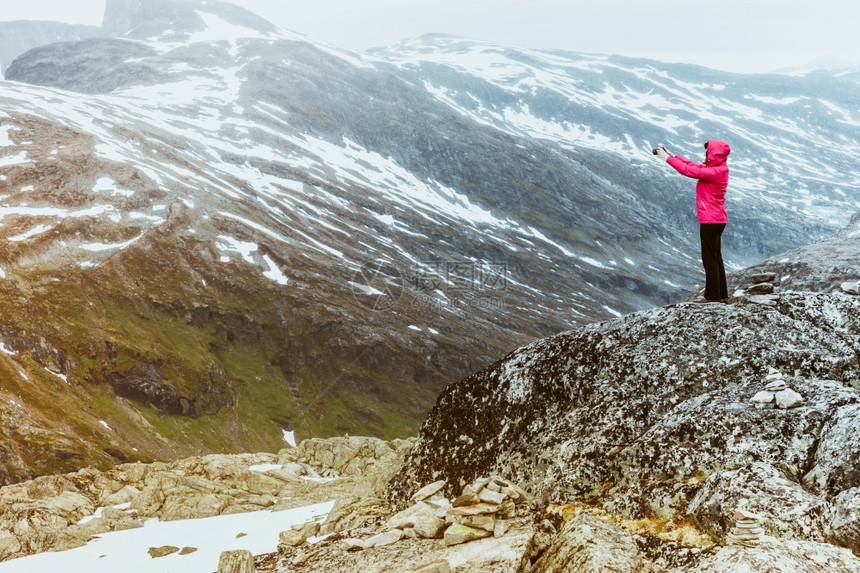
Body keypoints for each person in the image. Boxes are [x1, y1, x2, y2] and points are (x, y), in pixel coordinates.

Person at [654, 140, 731, 302]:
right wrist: (673, 155)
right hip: (717, 219)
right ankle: (721, 294)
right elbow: (692, 165)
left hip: (711, 221)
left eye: (708, 152)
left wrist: (665, 159)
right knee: (716, 257)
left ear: (714, 154)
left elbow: (688, 171)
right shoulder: (718, 169)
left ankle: (712, 297)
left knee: (709, 259)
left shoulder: (716, 172)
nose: (705, 155)